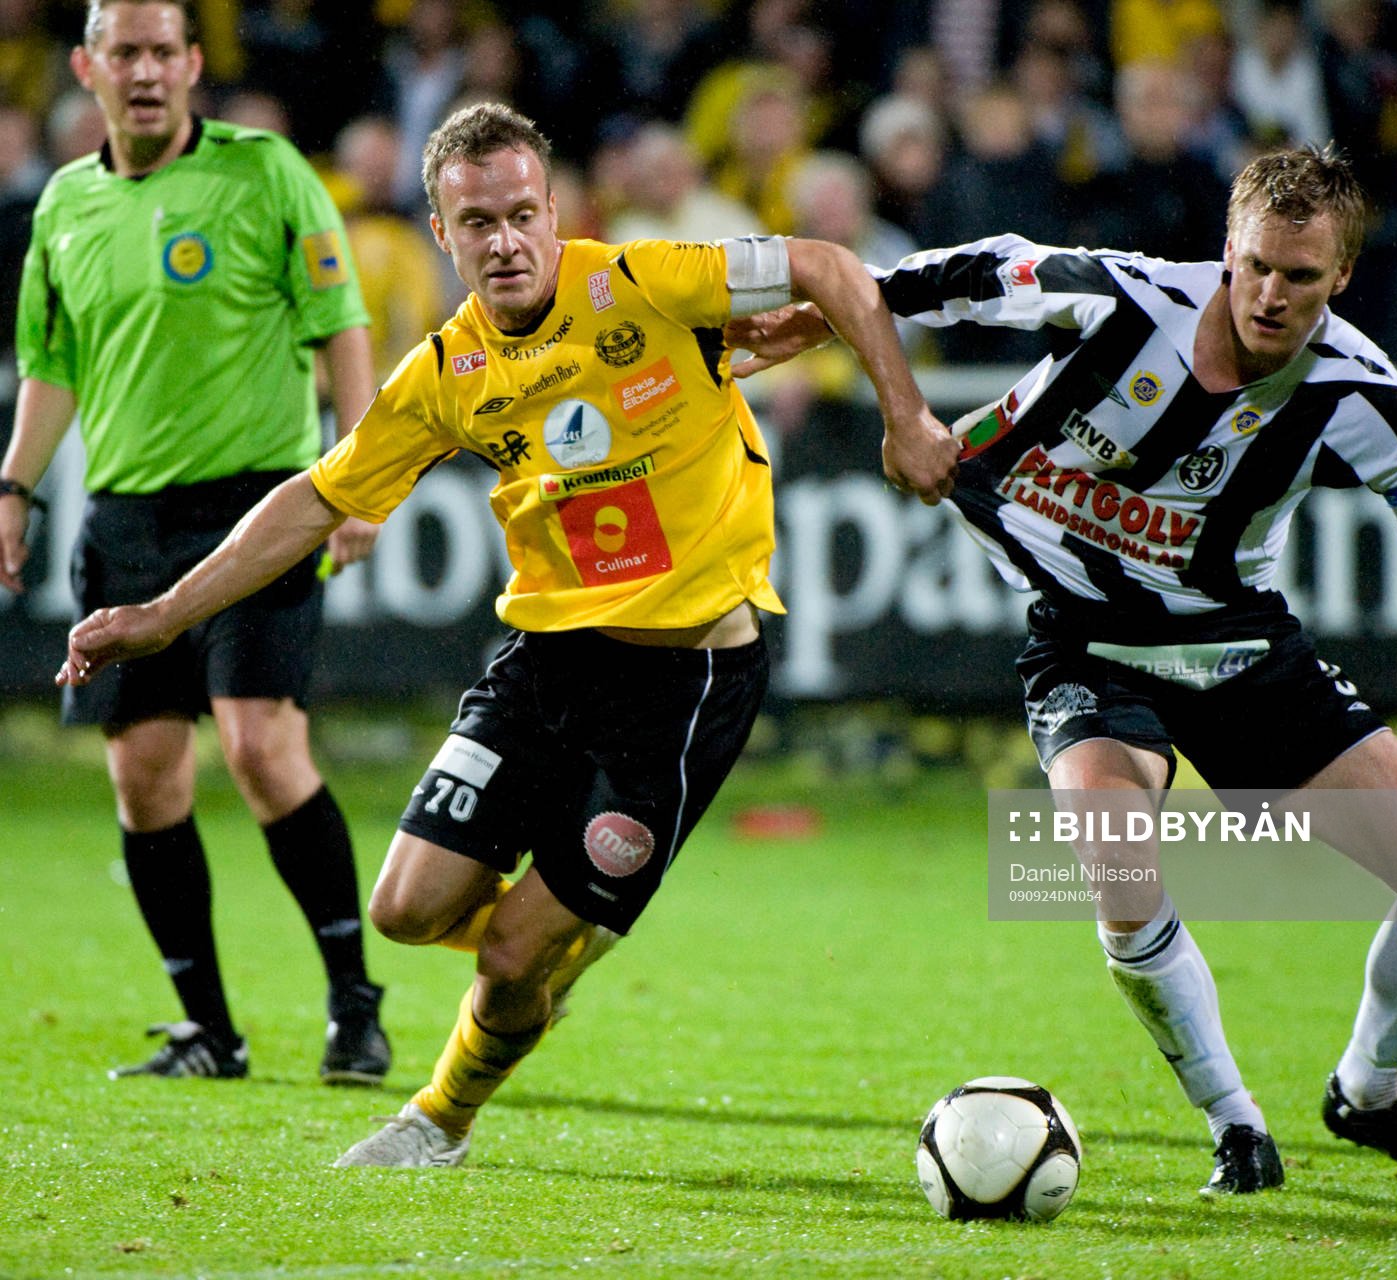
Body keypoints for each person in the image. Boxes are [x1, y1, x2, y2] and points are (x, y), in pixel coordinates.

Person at [59, 100, 957, 1167]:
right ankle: (547, 950)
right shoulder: (447, 372)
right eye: (477, 223)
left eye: (523, 215)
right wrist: (162, 615)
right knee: (406, 909)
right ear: (442, 233)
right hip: (547, 664)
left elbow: (829, 266)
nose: (505, 242)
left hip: (683, 684)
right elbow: (315, 497)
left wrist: (905, 414)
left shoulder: (645, 282)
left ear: (556, 213)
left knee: (513, 955)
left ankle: (439, 1117)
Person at [727, 144, 1397, 1193]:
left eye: (1300, 276)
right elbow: (970, 270)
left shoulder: (1361, 392)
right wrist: (841, 326)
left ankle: (1367, 1092)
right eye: (1255, 265)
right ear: (1227, 249)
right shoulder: (1124, 298)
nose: (1270, 294)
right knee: (1116, 863)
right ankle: (1235, 1123)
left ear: (1342, 275)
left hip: (1241, 648)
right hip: (1088, 642)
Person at [2, 0, 388, 1084]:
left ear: (192, 64)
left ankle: (354, 1005)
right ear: (87, 68)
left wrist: (361, 476)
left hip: (260, 503)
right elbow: (52, 366)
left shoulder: (265, 172)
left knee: (262, 746)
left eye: (162, 51)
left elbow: (341, 325)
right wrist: (14, 485)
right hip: (126, 516)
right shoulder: (64, 205)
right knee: (145, 779)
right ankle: (210, 1032)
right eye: (123, 52)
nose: (144, 71)